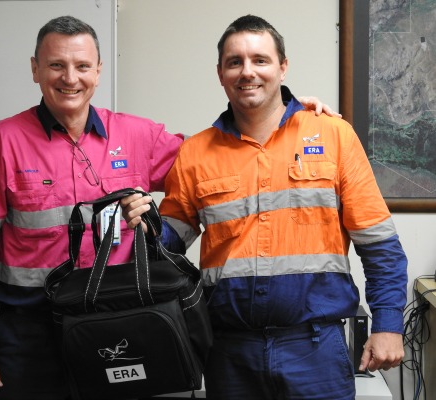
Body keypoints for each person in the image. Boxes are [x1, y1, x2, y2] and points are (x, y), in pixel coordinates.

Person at [0, 14, 339, 400]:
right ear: (35, 69)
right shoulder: (3, 140)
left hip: (115, 330)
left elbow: (223, 158)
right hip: (29, 339)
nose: (70, 78)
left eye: (82, 66)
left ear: (98, 71)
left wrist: (287, 118)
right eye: (56, 65)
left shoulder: (139, 135)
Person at [122, 14, 407, 400]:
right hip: (229, 351)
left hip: (315, 349)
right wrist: (149, 225)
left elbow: (379, 245)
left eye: (260, 60)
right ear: (220, 73)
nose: (247, 72)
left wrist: (388, 325)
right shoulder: (195, 153)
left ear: (283, 67)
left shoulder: (333, 135)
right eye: (234, 62)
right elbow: (170, 245)